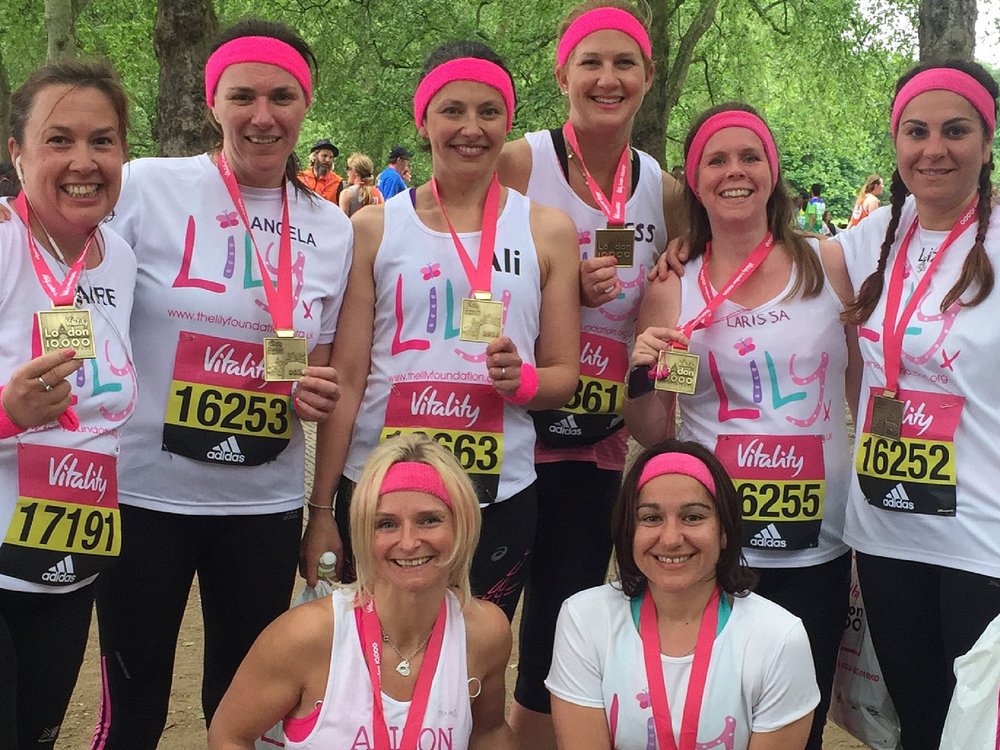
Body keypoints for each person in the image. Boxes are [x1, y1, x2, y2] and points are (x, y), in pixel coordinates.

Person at [89, 20, 351, 750]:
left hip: (260, 507)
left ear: (305, 103)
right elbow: (77, 288)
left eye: (281, 96)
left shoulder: (331, 228)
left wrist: (313, 400)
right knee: (132, 709)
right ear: (213, 103)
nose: (262, 115)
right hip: (143, 496)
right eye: (242, 96)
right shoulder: (146, 185)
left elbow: (322, 365)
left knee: (242, 710)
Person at [301, 40, 580, 625]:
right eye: (452, 110)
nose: (471, 128)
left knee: (472, 669)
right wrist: (321, 506)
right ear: (423, 120)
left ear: (509, 121)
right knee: (372, 668)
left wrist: (524, 383)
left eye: (489, 111)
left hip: (495, 495)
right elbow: (349, 378)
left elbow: (562, 377)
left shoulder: (549, 230)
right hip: (378, 490)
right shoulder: (374, 227)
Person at [624, 103, 856, 750]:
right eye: (717, 160)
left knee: (795, 731)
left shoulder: (828, 265)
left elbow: (864, 385)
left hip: (819, 545)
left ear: (772, 172)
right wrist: (641, 375)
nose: (735, 172)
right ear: (695, 181)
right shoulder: (676, 287)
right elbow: (656, 429)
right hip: (714, 547)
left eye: (750, 157)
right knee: (709, 721)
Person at [495, 3, 684, 745]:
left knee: (556, 634)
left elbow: (676, 305)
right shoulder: (518, 162)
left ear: (647, 75)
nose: (608, 79)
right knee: (474, 618)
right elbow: (469, 275)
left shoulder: (664, 192)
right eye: (591, 63)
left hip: (597, 445)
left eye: (625, 64)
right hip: (509, 432)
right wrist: (560, 286)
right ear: (562, 73)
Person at [819, 59, 1000, 750]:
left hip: (984, 539)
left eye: (956, 131)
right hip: (887, 533)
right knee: (921, 728)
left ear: (985, 142)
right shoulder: (875, 237)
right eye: (916, 131)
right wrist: (687, 246)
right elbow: (770, 257)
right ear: (896, 144)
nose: (934, 149)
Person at [207, 434, 515, 749]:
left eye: (429, 520)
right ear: (363, 534)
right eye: (386, 524)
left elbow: (488, 732)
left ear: (462, 525)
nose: (408, 543)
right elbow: (229, 735)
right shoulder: (306, 635)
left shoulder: (484, 631)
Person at [0, 59, 136, 749]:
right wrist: (5, 414)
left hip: (65, 558)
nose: (84, 161)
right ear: (16, 151)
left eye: (102, 141)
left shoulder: (116, 258)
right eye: (59, 140)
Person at [546, 440, 819, 750]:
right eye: (651, 518)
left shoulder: (779, 637)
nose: (672, 539)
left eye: (693, 517)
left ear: (725, 530)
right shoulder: (584, 620)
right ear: (628, 530)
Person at [338, 152, 384, 217]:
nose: (347, 172)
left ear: (355, 172)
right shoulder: (378, 193)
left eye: (348, 168)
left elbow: (343, 224)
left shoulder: (347, 194)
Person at [298, 138, 343, 202]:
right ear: (314, 156)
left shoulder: (337, 182)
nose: (328, 160)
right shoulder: (301, 177)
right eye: (324, 156)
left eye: (331, 157)